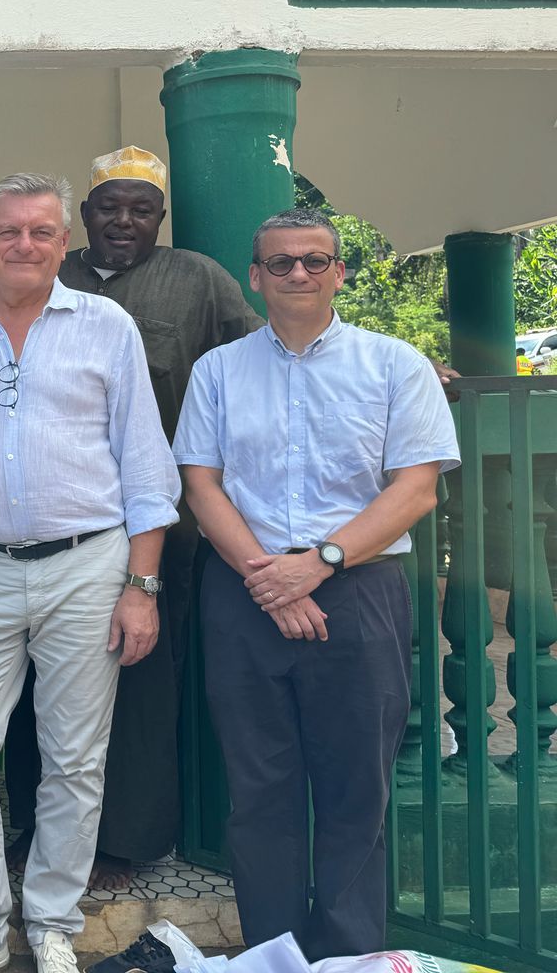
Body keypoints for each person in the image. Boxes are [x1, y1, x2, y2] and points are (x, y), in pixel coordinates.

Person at [174, 207, 458, 960]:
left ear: (339, 272)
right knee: (258, 791)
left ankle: (349, 957)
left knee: (355, 791)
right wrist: (273, 579)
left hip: (360, 589)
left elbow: (415, 489)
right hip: (246, 590)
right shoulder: (218, 371)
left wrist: (320, 563)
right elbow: (202, 486)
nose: (297, 272)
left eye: (314, 260)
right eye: (280, 262)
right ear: (254, 277)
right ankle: (275, 957)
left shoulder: (395, 365)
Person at [0, 174, 179, 973]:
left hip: (87, 564)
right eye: (8, 231)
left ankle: (54, 920)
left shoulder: (106, 326)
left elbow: (145, 466)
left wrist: (141, 587)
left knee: (73, 755)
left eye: (40, 232)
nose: (23, 245)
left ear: (64, 243)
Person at [5, 146, 261, 888]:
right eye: (109, 208)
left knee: (138, 681)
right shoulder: (51, 273)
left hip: (154, 523)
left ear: (160, 217)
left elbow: (264, 353)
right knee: (40, 687)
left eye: (141, 209)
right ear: (84, 216)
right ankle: (38, 829)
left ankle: (124, 838)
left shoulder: (197, 280)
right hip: (54, 518)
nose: (124, 221)